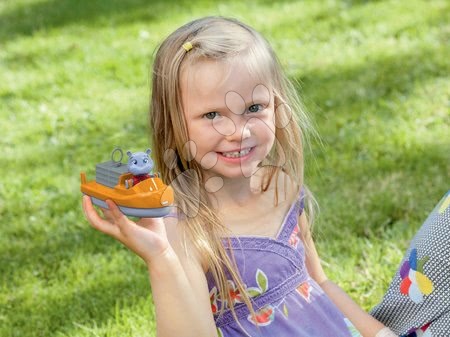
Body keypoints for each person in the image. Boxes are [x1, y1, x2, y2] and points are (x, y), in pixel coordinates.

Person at [82, 16, 449, 337]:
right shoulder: (183, 222)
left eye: (254, 108)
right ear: (175, 124)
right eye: (211, 115)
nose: (237, 131)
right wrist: (161, 258)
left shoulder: (283, 187)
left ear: (277, 106)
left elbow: (318, 283)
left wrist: (379, 332)